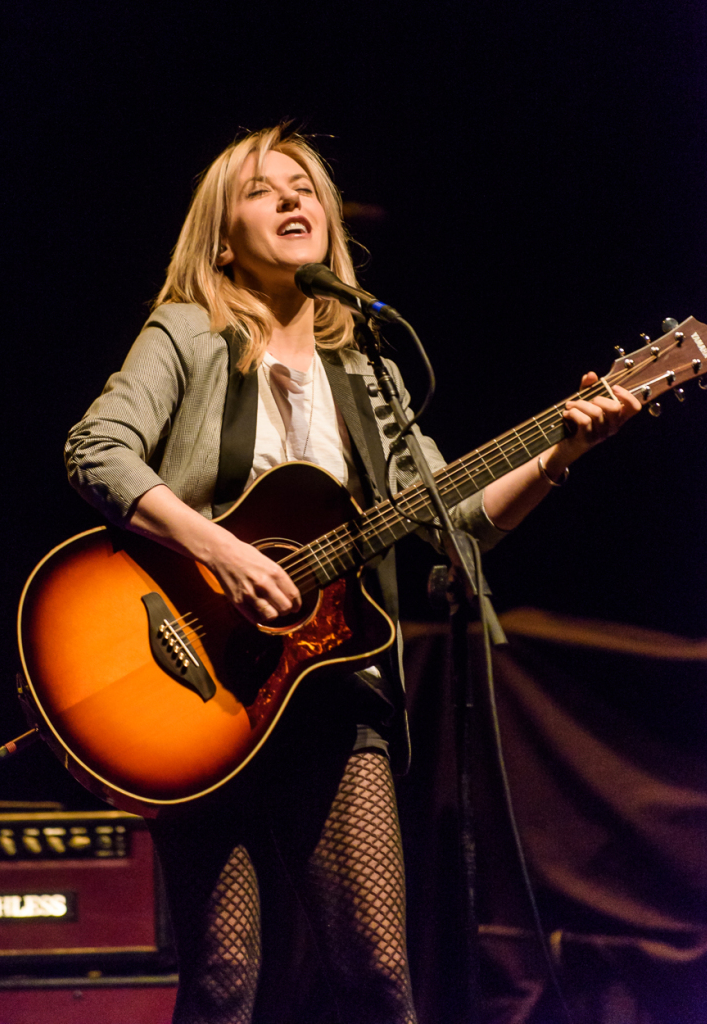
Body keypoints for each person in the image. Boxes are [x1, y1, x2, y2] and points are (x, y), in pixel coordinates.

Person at [65, 126, 640, 1024]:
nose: (295, 199)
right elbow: (97, 452)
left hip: (332, 696)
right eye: (265, 189)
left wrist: (562, 450)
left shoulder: (367, 367)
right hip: (192, 693)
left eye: (306, 187)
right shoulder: (187, 332)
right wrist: (227, 551)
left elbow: (458, 524)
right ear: (222, 236)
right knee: (222, 982)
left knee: (378, 975)